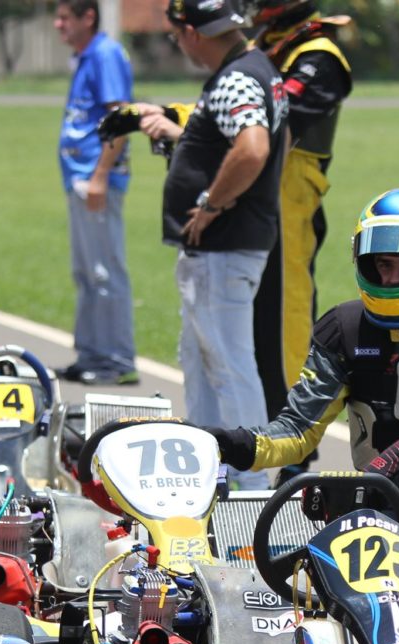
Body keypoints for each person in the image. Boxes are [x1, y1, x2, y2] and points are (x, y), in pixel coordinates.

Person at [210, 186, 399, 517]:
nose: (393, 279)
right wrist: (228, 444)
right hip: (381, 509)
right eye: (383, 264)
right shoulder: (342, 330)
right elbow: (296, 432)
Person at [134, 0, 286, 490]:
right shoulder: (254, 68)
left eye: (177, 35)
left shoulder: (238, 77)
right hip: (225, 249)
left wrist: (213, 205)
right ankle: (209, 468)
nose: (178, 44)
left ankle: (250, 483)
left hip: (225, 247)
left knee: (228, 364)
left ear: (192, 31)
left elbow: (253, 146)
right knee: (205, 361)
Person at [241, 0, 352, 422]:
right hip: (258, 190)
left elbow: (273, 118)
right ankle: (256, 427)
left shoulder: (319, 54)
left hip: (291, 195)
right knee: (252, 318)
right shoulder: (268, 46)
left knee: (286, 315)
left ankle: (295, 436)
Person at [54, 0, 138, 387]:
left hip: (96, 179)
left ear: (88, 17)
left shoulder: (105, 54)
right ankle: (90, 355)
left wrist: (101, 175)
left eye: (64, 17)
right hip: (81, 177)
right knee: (86, 273)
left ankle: (117, 360)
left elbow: (120, 119)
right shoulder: (86, 55)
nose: (58, 25)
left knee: (105, 272)